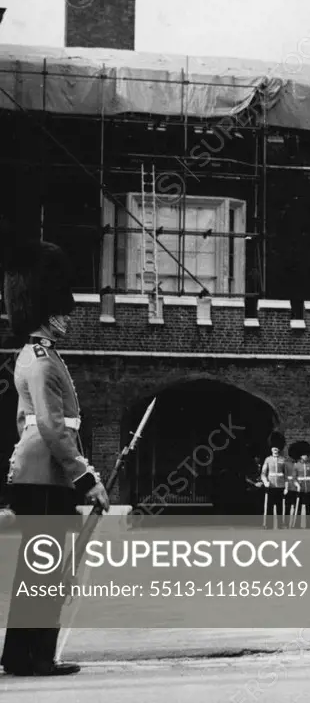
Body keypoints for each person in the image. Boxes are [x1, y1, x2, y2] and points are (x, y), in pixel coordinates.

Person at [2, 241, 109, 678]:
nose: (68, 318)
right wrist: (84, 476)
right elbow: (51, 426)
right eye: (62, 311)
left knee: (39, 568)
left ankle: (20, 654)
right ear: (45, 311)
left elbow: (25, 425)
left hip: (36, 472)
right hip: (46, 476)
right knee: (47, 572)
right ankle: (36, 658)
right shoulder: (43, 362)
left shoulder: (30, 357)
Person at [261, 434, 290, 528]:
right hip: (271, 486)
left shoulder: (283, 460)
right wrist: (265, 482)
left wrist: (286, 487)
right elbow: (263, 474)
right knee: (269, 506)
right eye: (274, 448)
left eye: (277, 448)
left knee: (280, 507)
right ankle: (268, 525)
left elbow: (286, 475)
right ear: (271, 449)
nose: (275, 449)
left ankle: (280, 524)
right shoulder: (268, 459)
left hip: (280, 486)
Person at [290, 446, 310, 528]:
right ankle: (296, 524)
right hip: (299, 488)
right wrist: (297, 485)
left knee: (308, 507)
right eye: (304, 455)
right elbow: (294, 477)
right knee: (298, 508)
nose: (306, 457)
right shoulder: (296, 465)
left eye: (306, 455)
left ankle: (308, 525)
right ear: (301, 456)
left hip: (309, 488)